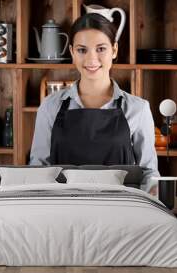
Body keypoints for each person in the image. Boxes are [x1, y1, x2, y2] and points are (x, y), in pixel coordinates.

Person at [29, 13, 160, 191]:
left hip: (120, 211)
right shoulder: (50, 106)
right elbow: (38, 168)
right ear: (72, 53)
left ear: (114, 50)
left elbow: (149, 174)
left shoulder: (138, 108)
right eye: (82, 50)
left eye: (101, 49)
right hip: (62, 209)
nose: (91, 59)